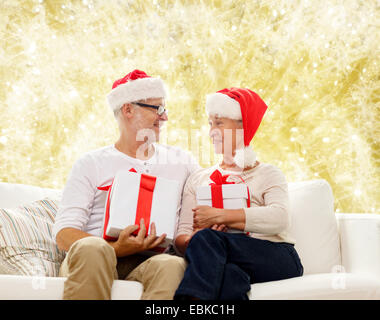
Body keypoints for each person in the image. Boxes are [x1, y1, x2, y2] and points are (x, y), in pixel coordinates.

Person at [53, 69, 200, 300]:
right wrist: (115, 248)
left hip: (148, 262)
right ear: (128, 109)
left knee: (172, 265)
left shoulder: (183, 162)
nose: (165, 118)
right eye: (158, 109)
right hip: (95, 258)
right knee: (93, 249)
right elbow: (63, 234)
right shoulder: (91, 163)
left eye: (165, 109)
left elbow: (200, 208)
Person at [173, 87, 304, 300]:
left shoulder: (268, 173)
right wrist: (193, 241)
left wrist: (220, 216)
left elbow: (280, 218)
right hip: (223, 257)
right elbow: (181, 236)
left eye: (219, 123)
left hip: (277, 256)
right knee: (230, 276)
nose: (211, 131)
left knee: (209, 240)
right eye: (210, 124)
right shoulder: (198, 179)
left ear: (243, 127)